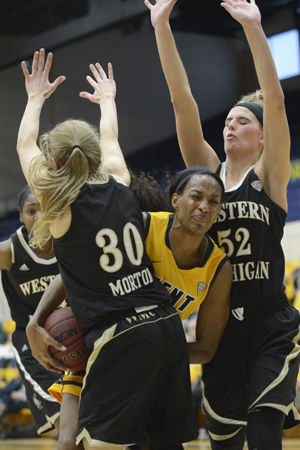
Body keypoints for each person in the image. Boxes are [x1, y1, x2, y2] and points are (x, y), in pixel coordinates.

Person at [17, 48, 198, 449]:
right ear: (96, 154)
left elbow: (23, 145)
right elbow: (111, 136)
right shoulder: (119, 179)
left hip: (122, 335)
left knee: (99, 445)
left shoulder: (57, 204)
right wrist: (107, 101)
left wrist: (34, 98)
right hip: (165, 325)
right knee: (168, 444)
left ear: (52, 163)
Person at [145, 0, 300, 449]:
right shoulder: (206, 181)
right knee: (225, 439)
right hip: (220, 330)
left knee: (265, 426)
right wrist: (161, 28)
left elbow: (274, 99)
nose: (231, 127)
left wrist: (254, 28)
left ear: (263, 136)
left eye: (243, 122)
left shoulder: (269, 176)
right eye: (228, 121)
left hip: (271, 323)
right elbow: (182, 101)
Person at [0, 185, 61, 435]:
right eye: (31, 210)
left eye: (45, 209)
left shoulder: (71, 243)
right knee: (69, 421)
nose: (39, 216)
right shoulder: (9, 251)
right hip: (34, 349)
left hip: (76, 339)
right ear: (21, 216)